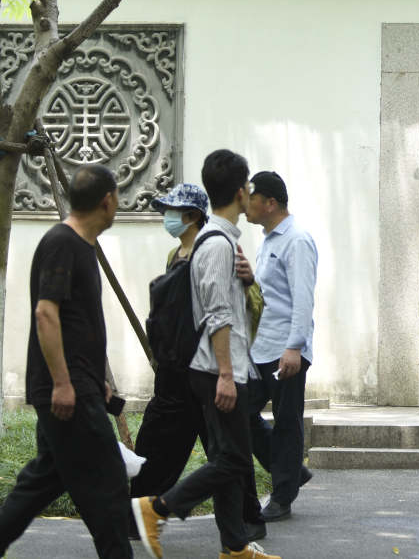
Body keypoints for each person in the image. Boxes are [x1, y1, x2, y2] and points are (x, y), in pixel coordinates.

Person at [0, 165, 132, 559]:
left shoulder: (80, 246)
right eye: (117, 197)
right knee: (107, 484)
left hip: (79, 384)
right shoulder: (62, 243)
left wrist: (96, 380)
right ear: (107, 201)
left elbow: (77, 325)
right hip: (66, 391)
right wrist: (63, 384)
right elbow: (46, 314)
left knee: (47, 476)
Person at [132, 150, 279, 559]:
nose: (251, 194)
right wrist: (227, 375)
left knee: (230, 458)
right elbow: (216, 315)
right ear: (239, 191)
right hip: (216, 369)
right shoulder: (216, 244)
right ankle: (156, 508)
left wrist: (248, 283)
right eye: (249, 188)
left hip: (219, 367)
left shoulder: (220, 242)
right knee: (231, 459)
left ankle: (234, 546)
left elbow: (235, 308)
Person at [129, 182, 213, 500]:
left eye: (172, 211)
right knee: (163, 438)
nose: (167, 217)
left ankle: (245, 518)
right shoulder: (174, 254)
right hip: (174, 365)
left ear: (192, 216)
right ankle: (142, 507)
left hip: (199, 365)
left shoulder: (210, 252)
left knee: (220, 449)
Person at [245, 170, 319, 522]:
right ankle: (293, 471)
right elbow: (270, 294)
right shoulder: (269, 239)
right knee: (243, 415)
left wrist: (294, 347)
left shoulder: (297, 240)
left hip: (286, 349)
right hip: (262, 346)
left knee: (287, 421)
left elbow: (302, 300)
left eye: (252, 197)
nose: (245, 204)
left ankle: (282, 497)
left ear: (270, 202)